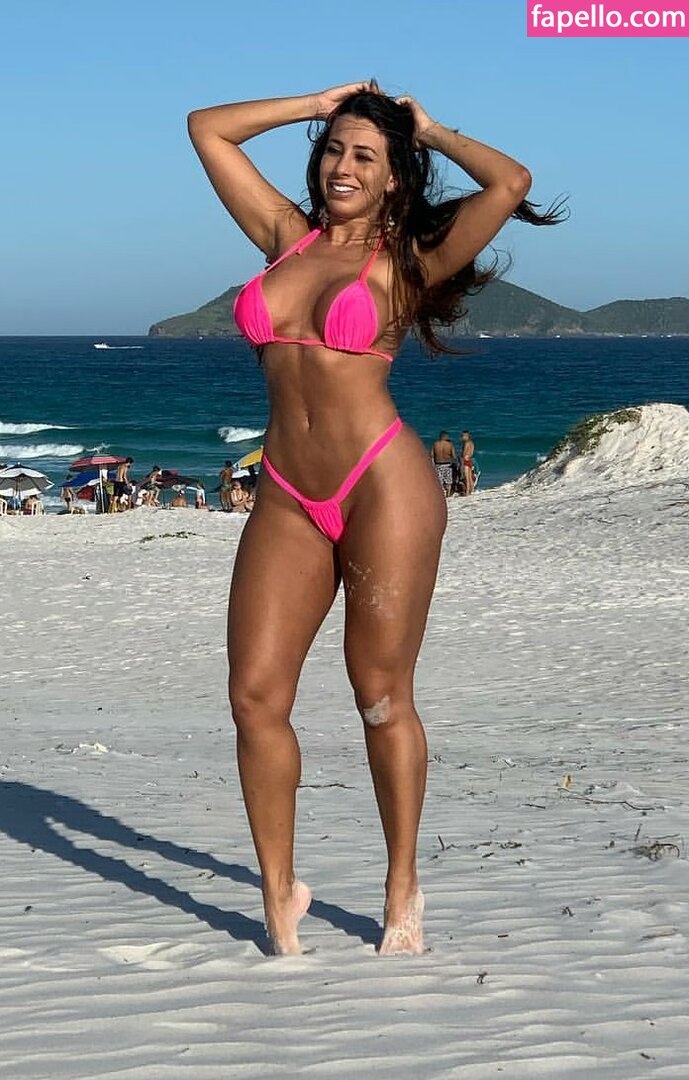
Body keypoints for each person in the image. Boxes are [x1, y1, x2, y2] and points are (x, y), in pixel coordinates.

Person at [188, 79, 565, 956]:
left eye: (364, 155)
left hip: (381, 485)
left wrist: (428, 128)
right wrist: (317, 105)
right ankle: (279, 892)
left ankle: (401, 888)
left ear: (396, 175)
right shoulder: (284, 237)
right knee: (253, 696)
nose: (342, 166)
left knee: (381, 696)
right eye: (334, 150)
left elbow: (509, 182)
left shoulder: (411, 259)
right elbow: (207, 130)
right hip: (286, 489)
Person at [430, 431, 456, 498]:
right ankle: (448, 494)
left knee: (439, 481)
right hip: (448, 464)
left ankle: (441, 494)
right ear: (446, 437)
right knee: (448, 481)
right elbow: (453, 455)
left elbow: (432, 455)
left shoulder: (435, 444)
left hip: (438, 464)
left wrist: (433, 465)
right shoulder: (450, 444)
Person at [460, 431, 476, 496]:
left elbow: (464, 452)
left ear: (467, 436)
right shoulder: (472, 443)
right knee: (469, 477)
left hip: (465, 460)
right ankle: (471, 490)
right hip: (470, 459)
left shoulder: (466, 443)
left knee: (466, 478)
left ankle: (467, 492)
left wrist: (461, 456)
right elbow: (471, 452)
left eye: (463, 436)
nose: (462, 437)